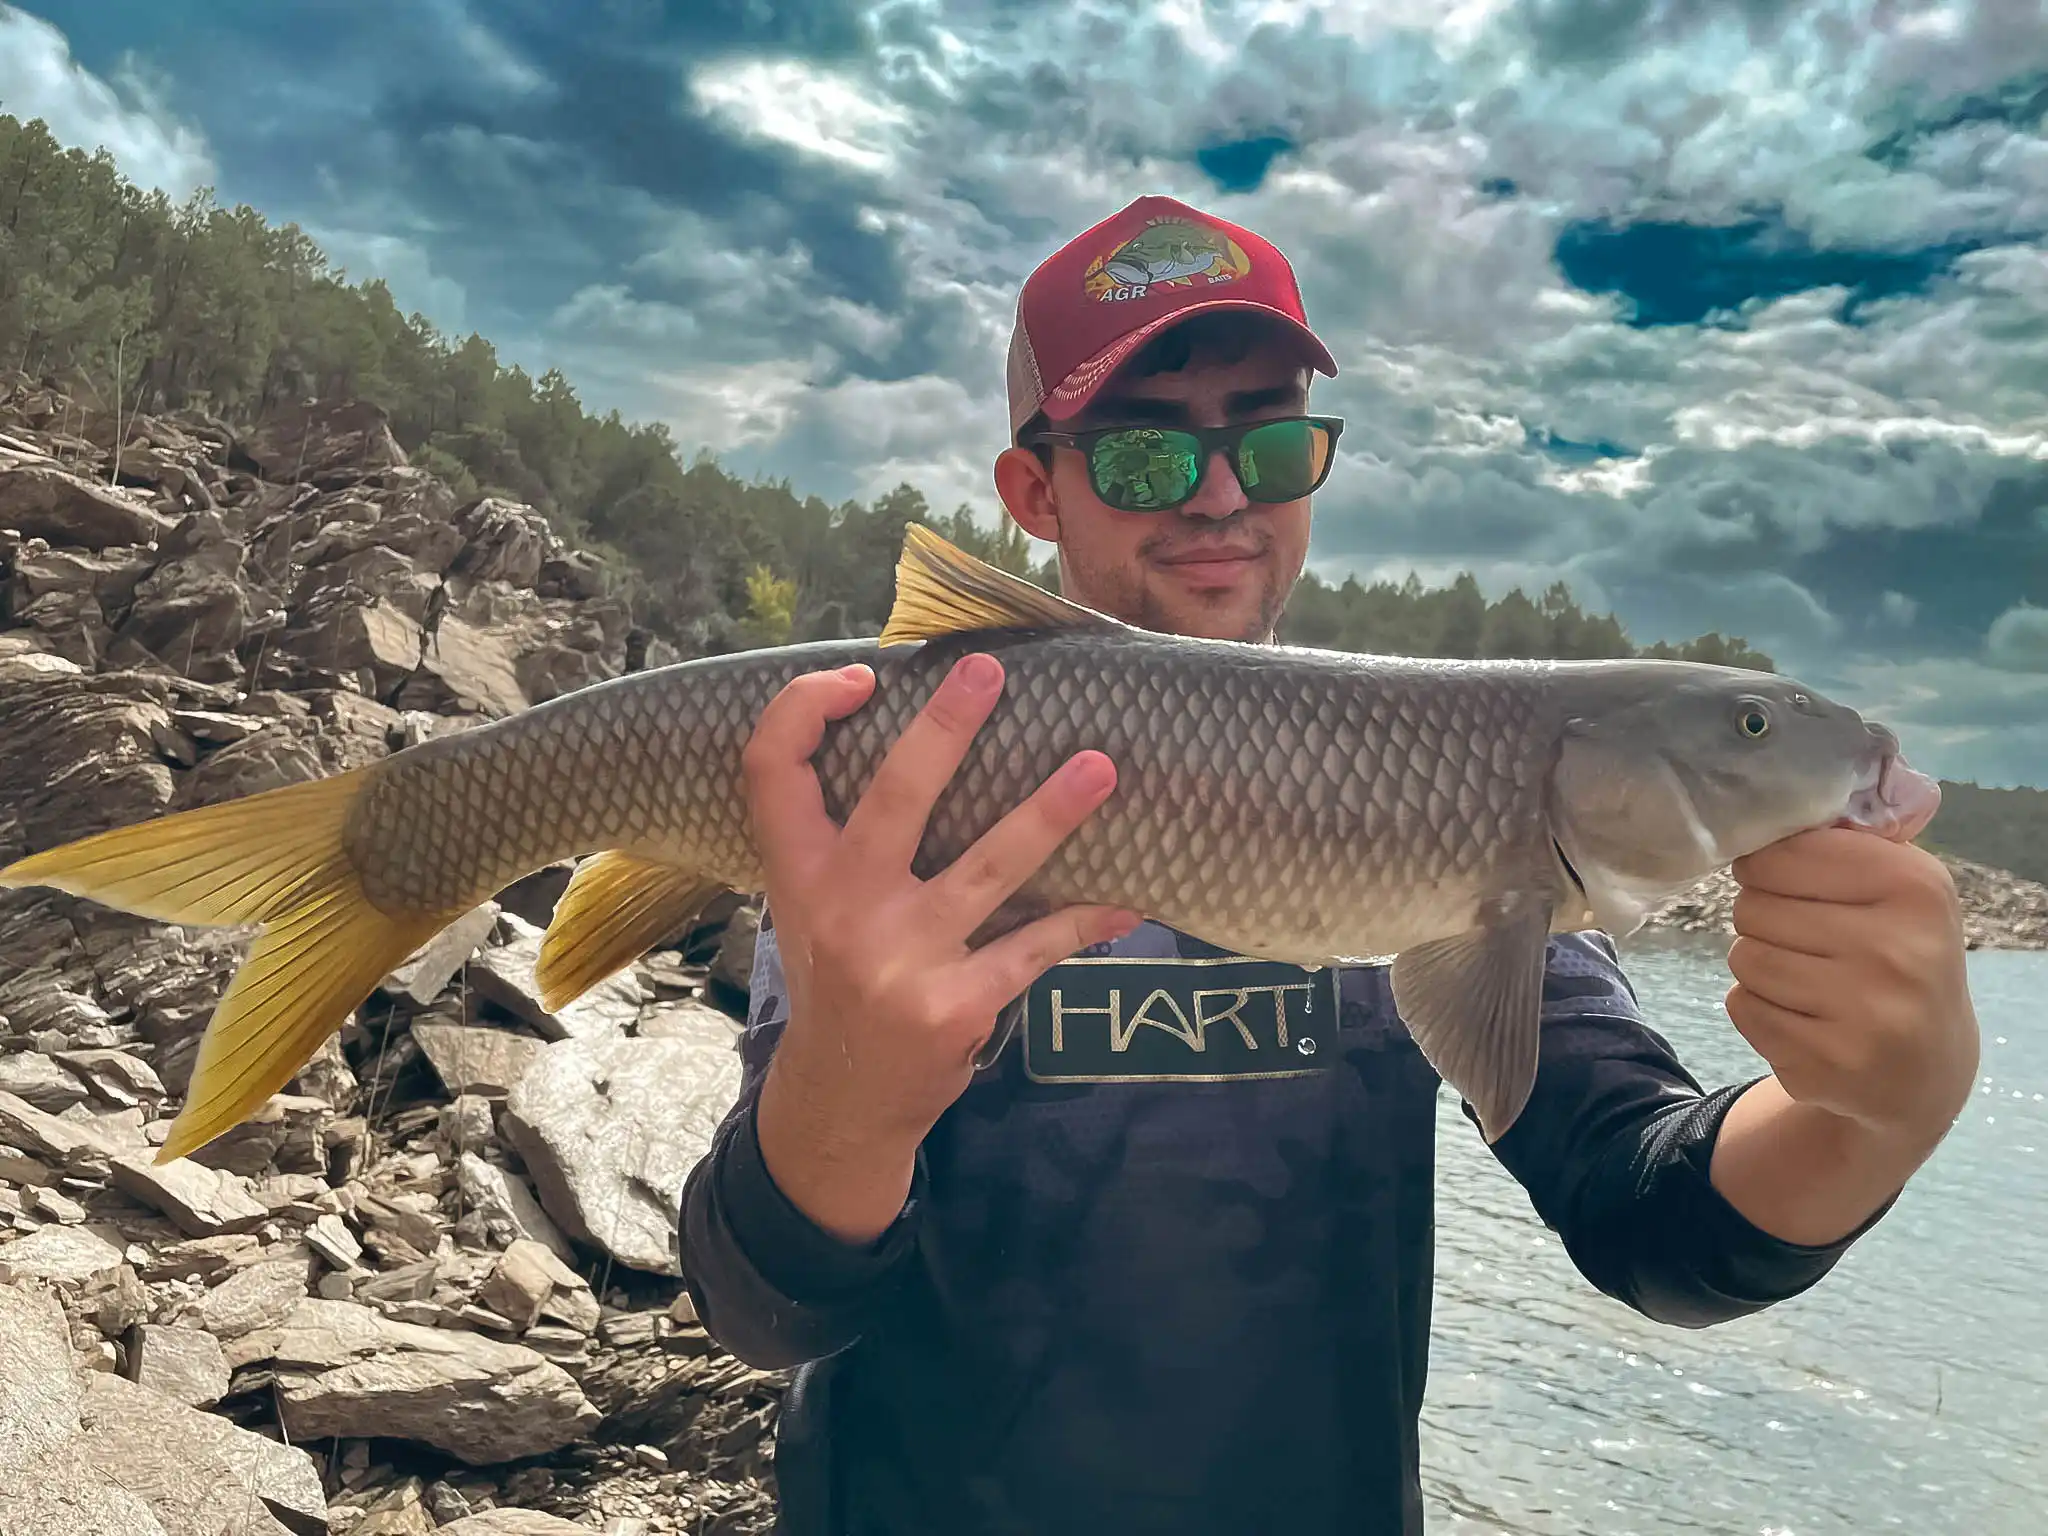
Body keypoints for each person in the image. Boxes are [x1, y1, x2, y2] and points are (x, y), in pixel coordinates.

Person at [677, 195, 1980, 1535]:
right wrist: (847, 1103)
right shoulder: (918, 784)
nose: (1223, 496)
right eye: (1143, 458)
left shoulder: (1466, 833)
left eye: (1272, 441)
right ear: (1033, 493)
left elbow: (1646, 1212)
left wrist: (1862, 1121)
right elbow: (760, 1306)